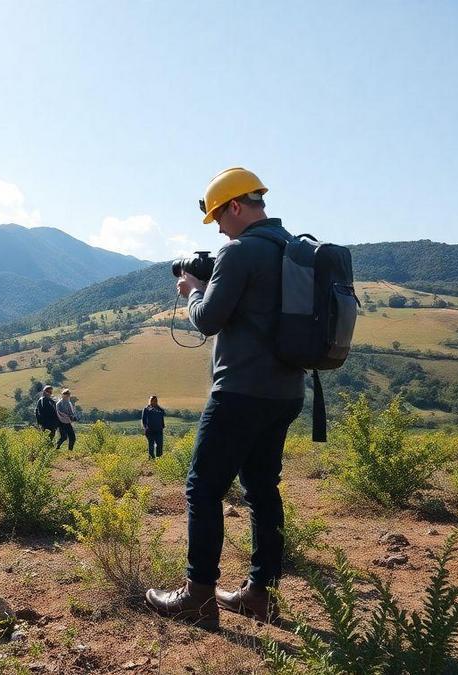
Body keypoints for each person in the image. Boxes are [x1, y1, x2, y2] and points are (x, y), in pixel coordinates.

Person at [145, 168, 305, 630]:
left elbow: (209, 320)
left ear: (236, 206)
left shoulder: (239, 251)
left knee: (202, 488)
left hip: (239, 391)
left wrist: (194, 291)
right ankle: (260, 594)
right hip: (286, 391)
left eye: (218, 216)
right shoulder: (292, 249)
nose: (217, 227)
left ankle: (197, 597)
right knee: (262, 490)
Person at [142, 395, 165, 459]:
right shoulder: (146, 409)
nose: (154, 401)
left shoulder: (160, 409)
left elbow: (162, 417)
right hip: (150, 430)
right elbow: (143, 420)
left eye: (155, 400)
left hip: (159, 430)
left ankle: (159, 457)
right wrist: (146, 428)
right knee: (151, 444)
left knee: (160, 444)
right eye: (152, 400)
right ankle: (151, 458)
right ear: (150, 401)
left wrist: (162, 426)